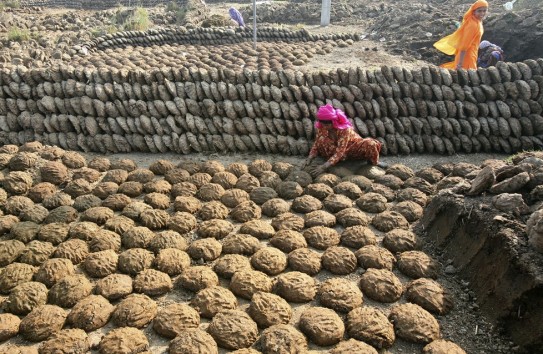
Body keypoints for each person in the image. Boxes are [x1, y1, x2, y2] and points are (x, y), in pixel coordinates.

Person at [302, 104, 385, 177]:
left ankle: (374, 162)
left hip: (350, 149)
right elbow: (316, 144)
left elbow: (341, 151)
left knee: (370, 143)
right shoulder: (322, 128)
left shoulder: (344, 129)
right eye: (322, 124)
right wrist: (310, 158)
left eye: (327, 124)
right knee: (321, 139)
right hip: (335, 151)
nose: (324, 126)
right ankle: (333, 161)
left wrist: (323, 167)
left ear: (333, 121)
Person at [434, 0, 489, 70]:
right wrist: (460, 64)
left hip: (472, 54)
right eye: (479, 11)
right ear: (474, 11)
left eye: (484, 11)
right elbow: (464, 46)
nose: (482, 13)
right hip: (467, 57)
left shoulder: (478, 21)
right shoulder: (473, 25)